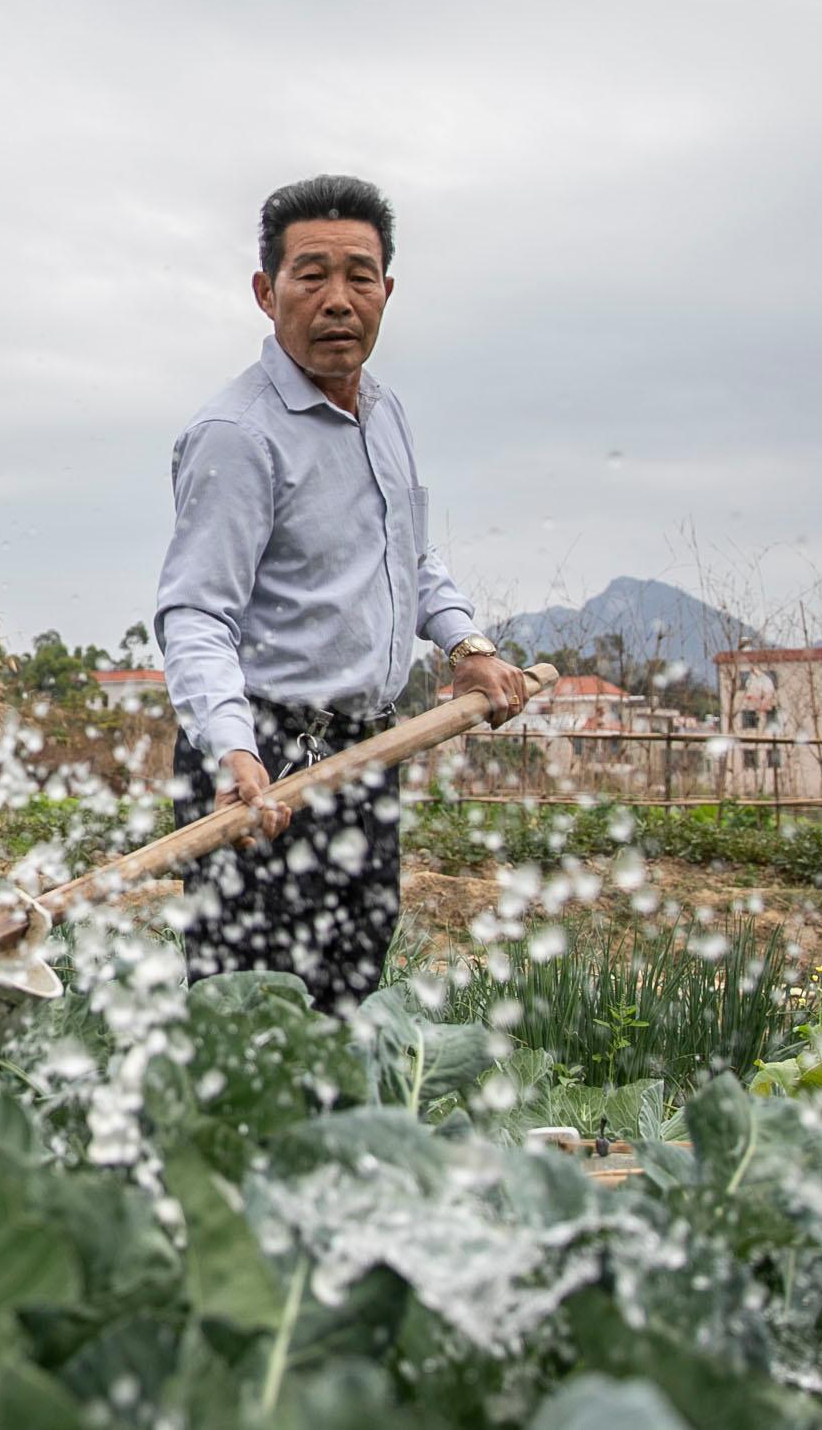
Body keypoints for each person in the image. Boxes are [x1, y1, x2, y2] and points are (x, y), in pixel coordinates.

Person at [153, 174, 530, 1014]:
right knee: (251, 1015)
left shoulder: (384, 413)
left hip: (365, 754)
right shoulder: (236, 437)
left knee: (349, 992)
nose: (336, 299)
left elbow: (408, 558)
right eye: (310, 274)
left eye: (358, 276)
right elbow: (194, 614)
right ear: (266, 291)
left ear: (386, 291)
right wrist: (232, 749)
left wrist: (466, 646)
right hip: (263, 764)